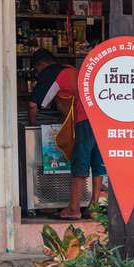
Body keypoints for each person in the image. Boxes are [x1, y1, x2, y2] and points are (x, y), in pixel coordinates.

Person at [27, 49, 105, 219]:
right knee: (98, 162)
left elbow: (34, 105)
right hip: (102, 116)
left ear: (41, 65)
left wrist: (33, 125)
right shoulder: (71, 70)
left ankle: (74, 208)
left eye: (36, 70)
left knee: (80, 159)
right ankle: (94, 208)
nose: (38, 74)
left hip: (85, 118)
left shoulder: (50, 73)